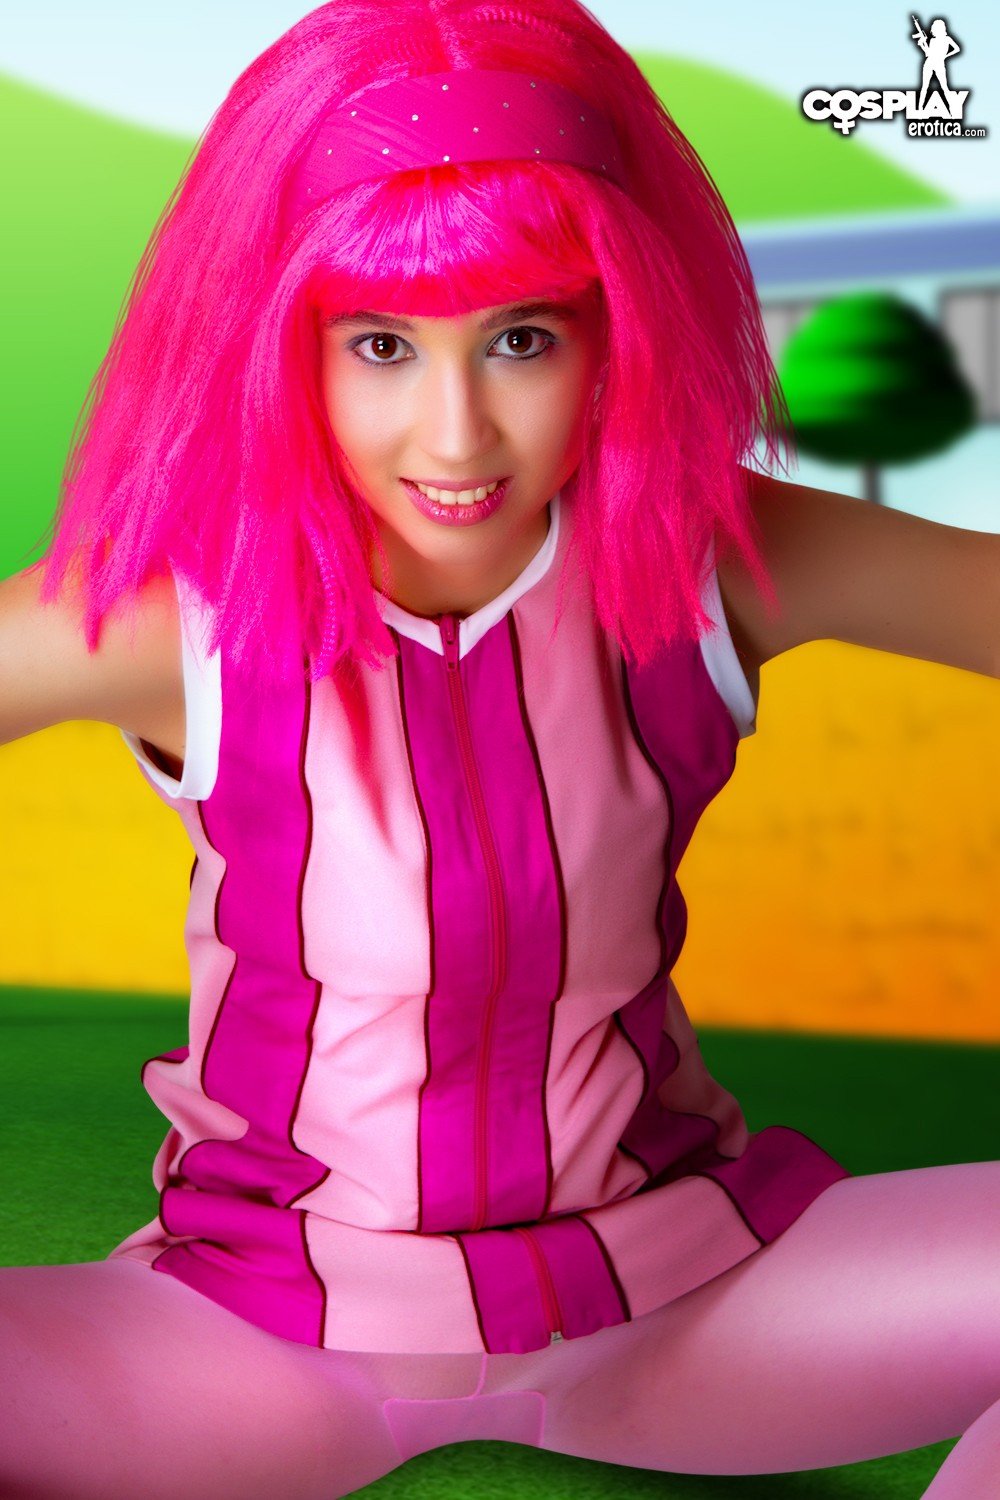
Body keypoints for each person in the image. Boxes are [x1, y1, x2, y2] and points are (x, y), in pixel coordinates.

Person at [1, 2, 998, 1497]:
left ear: (618, 327)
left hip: (690, 1304)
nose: (456, 435)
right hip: (246, 1335)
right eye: (381, 346)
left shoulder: (712, 559)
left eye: (522, 339)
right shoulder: (171, 613)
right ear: (282, 347)